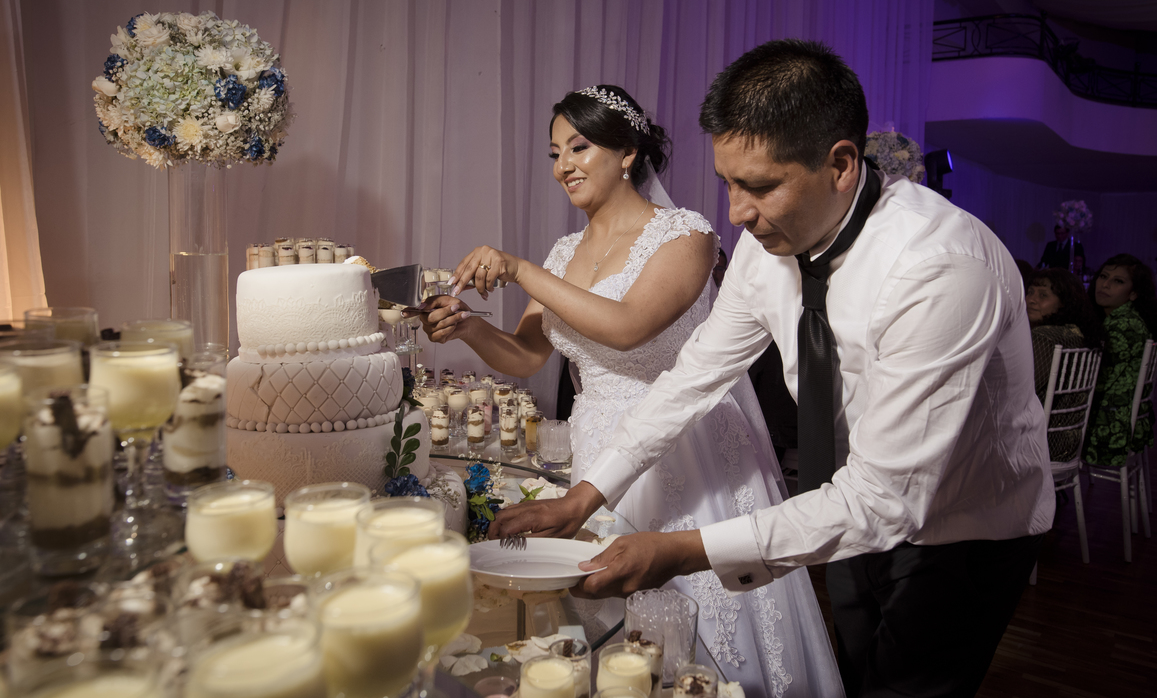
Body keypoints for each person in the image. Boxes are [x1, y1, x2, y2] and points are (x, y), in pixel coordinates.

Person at [490, 40, 1055, 698]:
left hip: (965, 527)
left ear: (841, 163)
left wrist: (678, 549)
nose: (735, 213)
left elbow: (885, 500)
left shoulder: (940, 269)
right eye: (727, 182)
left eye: (759, 185)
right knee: (854, 672)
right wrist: (587, 494)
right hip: (838, 495)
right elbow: (694, 375)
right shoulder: (769, 245)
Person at [419, 85, 843, 698]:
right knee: (605, 622)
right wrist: (470, 326)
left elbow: (627, 329)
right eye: (553, 152)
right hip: (601, 444)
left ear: (627, 153)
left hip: (689, 451)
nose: (563, 164)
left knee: (703, 623)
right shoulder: (563, 253)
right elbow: (528, 353)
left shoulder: (685, 235)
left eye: (579, 146)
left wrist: (518, 269)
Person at [1084, 254, 1157, 467]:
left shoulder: (1124, 326)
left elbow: (1094, 382)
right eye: (1103, 276)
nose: (1105, 284)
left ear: (1134, 293)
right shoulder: (1127, 318)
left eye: (1117, 281)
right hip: (1128, 421)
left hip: (1110, 426)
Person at [1025, 268, 1105, 461]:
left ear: (1064, 304)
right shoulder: (1079, 333)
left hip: (1040, 443)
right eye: (1030, 292)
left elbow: (1021, 392)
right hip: (1069, 440)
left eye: (1043, 295)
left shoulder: (1044, 337)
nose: (1031, 300)